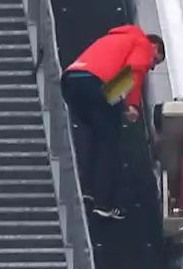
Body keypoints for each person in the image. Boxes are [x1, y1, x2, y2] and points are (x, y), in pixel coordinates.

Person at [61, 24, 166, 220]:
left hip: (71, 81)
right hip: (97, 83)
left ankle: (88, 190)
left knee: (97, 134)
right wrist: (132, 106)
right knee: (110, 142)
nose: (150, 67)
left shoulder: (116, 38)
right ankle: (104, 203)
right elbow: (132, 72)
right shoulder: (143, 44)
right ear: (155, 48)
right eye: (154, 62)